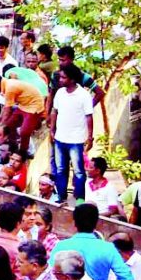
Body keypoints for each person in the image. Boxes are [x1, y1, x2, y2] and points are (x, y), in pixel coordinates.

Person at [50, 203, 134, 280]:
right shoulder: (108, 248)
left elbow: (49, 276)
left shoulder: (61, 246)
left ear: (74, 223)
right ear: (97, 223)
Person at [50, 63, 94, 203]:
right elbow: (54, 111)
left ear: (72, 79)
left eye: (63, 77)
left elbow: (89, 116)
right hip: (60, 139)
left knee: (79, 172)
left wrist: (90, 137)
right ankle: (61, 197)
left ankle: (80, 199)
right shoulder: (59, 93)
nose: (60, 80)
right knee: (60, 170)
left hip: (76, 140)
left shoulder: (83, 95)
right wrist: (52, 129)